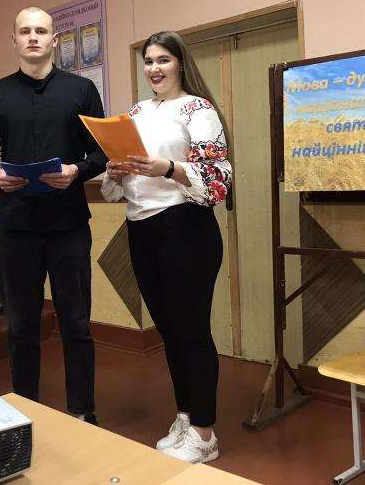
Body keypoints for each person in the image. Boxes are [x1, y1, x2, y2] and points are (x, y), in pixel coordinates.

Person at [0, 6, 107, 424]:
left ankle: (82, 412)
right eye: (25, 31)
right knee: (20, 327)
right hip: (16, 230)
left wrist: (77, 171)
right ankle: (25, 408)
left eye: (41, 31)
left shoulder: (81, 90)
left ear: (54, 40)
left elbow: (102, 151)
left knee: (77, 324)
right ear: (14, 40)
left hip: (69, 227)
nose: (33, 37)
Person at [102, 31, 232, 463]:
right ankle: (186, 415)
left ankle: (205, 435)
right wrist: (116, 173)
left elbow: (218, 181)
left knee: (192, 332)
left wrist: (169, 168)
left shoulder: (198, 109)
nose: (154, 69)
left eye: (163, 60)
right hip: (141, 229)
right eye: (149, 61)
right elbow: (116, 190)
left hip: (185, 229)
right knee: (170, 333)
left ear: (180, 63)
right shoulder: (136, 112)